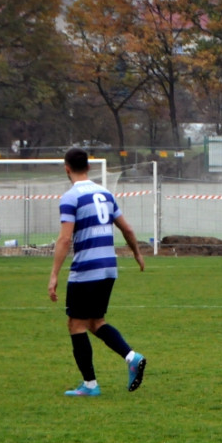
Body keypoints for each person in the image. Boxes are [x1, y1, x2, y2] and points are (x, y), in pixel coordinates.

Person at [48, 147, 147, 396]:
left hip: (86, 269)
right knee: (95, 322)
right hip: (108, 268)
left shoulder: (70, 197)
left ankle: (90, 385)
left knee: (76, 324)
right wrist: (136, 253)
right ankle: (131, 357)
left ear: (66, 168)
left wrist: (53, 276)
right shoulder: (105, 193)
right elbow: (128, 230)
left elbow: (64, 239)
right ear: (89, 167)